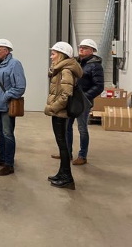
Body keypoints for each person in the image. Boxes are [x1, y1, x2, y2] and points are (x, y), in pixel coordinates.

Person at [45, 42, 83, 190]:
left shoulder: (65, 71)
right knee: (62, 145)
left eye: (54, 53)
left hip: (60, 113)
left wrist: (53, 108)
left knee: (63, 146)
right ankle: (62, 173)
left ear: (61, 55)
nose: (51, 56)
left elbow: (66, 94)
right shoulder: (61, 69)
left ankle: (67, 178)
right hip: (58, 112)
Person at [0, 39, 26, 176]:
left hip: (6, 106)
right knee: (0, 134)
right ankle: (1, 158)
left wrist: (5, 96)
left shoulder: (14, 64)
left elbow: (20, 87)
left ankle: (9, 164)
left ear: (7, 51)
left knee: (8, 134)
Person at [67, 39, 104, 165]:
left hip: (83, 102)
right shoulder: (76, 62)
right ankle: (67, 153)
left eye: (85, 48)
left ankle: (82, 156)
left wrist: (85, 97)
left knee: (82, 129)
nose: (81, 49)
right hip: (71, 99)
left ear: (92, 51)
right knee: (67, 127)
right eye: (80, 47)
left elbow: (99, 86)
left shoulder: (95, 65)